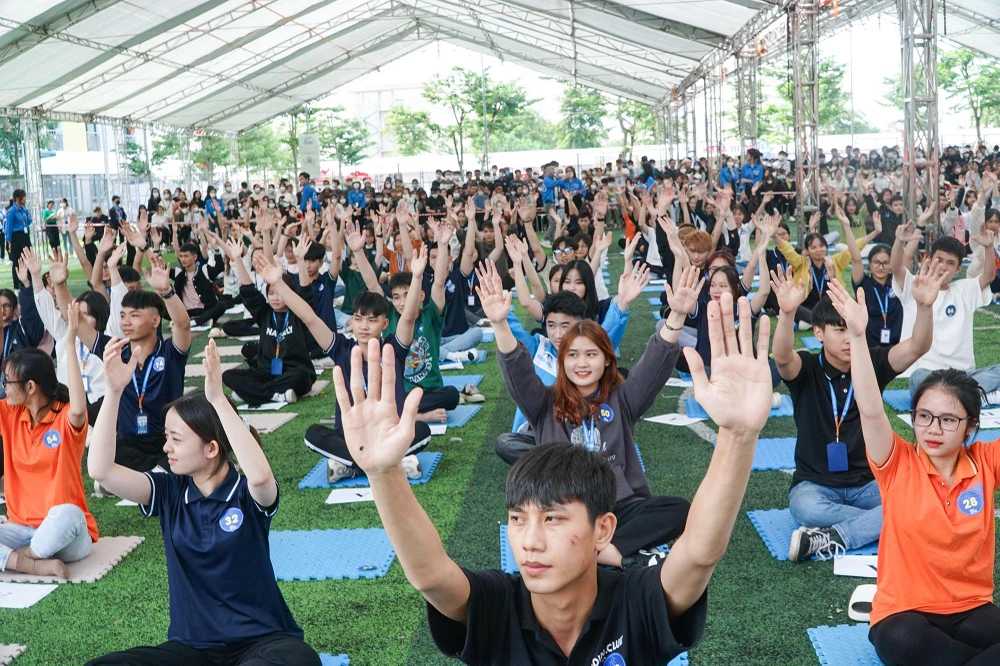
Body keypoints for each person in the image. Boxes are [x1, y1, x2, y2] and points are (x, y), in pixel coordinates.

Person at [333, 288, 773, 665]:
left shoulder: (633, 601)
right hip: (561, 479)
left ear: (603, 531)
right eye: (518, 519)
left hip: (624, 506)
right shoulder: (499, 604)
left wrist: (737, 436)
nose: (529, 542)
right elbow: (431, 577)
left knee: (678, 510)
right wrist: (384, 472)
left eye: (553, 520)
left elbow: (698, 555)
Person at [85, 339, 320, 666]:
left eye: (176, 439)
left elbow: (262, 478)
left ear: (211, 448)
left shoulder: (246, 492)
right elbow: (101, 471)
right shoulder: (167, 491)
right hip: (192, 650)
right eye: (167, 436)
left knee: (298, 660)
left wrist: (218, 400)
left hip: (262, 643)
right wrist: (113, 393)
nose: (166, 447)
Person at [485, 259, 696, 567]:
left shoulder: (621, 399)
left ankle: (606, 552)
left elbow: (652, 367)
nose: (582, 363)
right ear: (562, 362)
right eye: (572, 355)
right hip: (564, 510)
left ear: (606, 360)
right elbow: (517, 371)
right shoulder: (544, 403)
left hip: (617, 509)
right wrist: (500, 324)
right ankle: (621, 555)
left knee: (680, 510)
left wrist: (676, 315)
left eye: (591, 354)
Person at [831, 286, 1000, 665]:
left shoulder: (987, 462)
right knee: (902, 640)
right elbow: (871, 409)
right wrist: (858, 337)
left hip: (971, 609)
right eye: (923, 416)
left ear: (970, 426)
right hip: (904, 615)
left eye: (947, 419)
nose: (933, 429)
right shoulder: (897, 463)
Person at [770, 265, 943, 561]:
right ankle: (887, 520)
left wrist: (925, 307)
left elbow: (917, 346)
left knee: (915, 498)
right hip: (815, 485)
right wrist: (787, 314)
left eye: (852, 329)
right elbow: (783, 358)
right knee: (806, 508)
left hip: (869, 482)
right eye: (840, 330)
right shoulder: (807, 368)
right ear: (818, 333)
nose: (849, 338)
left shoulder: (871, 361)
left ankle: (834, 537)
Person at [254, 246, 431, 483]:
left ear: (384, 323)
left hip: (389, 433)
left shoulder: (392, 349)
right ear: (352, 322)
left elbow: (409, 316)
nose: (364, 326)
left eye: (372, 320)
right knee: (313, 434)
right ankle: (390, 462)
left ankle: (355, 465)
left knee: (422, 430)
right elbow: (309, 317)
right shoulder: (342, 350)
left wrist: (417, 276)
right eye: (358, 319)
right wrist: (279, 284)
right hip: (352, 438)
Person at [0, 307, 97, 579]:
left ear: (31, 387)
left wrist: (69, 343)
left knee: (67, 512)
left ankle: (22, 557)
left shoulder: (64, 415)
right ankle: (32, 563)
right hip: (21, 529)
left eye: (8, 381)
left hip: (66, 534)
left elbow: (79, 409)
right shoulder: (10, 413)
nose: (4, 387)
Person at [891, 223, 1000, 402]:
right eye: (939, 260)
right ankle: (975, 396)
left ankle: (962, 395)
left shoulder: (963, 289)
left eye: (951, 263)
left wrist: (988, 247)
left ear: (958, 269)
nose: (943, 267)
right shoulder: (916, 285)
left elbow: (987, 277)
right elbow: (896, 268)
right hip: (928, 374)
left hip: (961, 374)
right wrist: (898, 241)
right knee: (918, 378)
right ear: (928, 259)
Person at [112, 257, 192, 473]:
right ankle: (160, 472)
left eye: (134, 316)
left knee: (186, 449)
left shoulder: (169, 352)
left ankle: (155, 472)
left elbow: (183, 324)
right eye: (123, 316)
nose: (126, 322)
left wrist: (166, 292)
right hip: (130, 442)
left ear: (156, 321)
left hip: (166, 438)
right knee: (110, 454)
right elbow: (83, 329)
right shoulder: (117, 352)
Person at [220, 238, 315, 406]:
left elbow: (306, 292)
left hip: (292, 371)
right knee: (228, 375)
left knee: (303, 376)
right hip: (266, 371)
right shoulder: (265, 313)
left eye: (279, 293)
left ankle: (254, 392)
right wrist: (238, 260)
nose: (275, 298)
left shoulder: (297, 313)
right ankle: (275, 395)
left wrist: (300, 260)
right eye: (271, 293)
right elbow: (248, 291)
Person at [5, 189, 32, 288]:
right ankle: (17, 285)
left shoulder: (24, 209)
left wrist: (27, 213)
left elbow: (29, 221)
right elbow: (9, 227)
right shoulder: (12, 211)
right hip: (17, 237)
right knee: (17, 261)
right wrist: (9, 242)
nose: (25, 199)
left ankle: (29, 283)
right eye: (23, 197)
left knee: (28, 259)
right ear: (17, 199)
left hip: (25, 236)